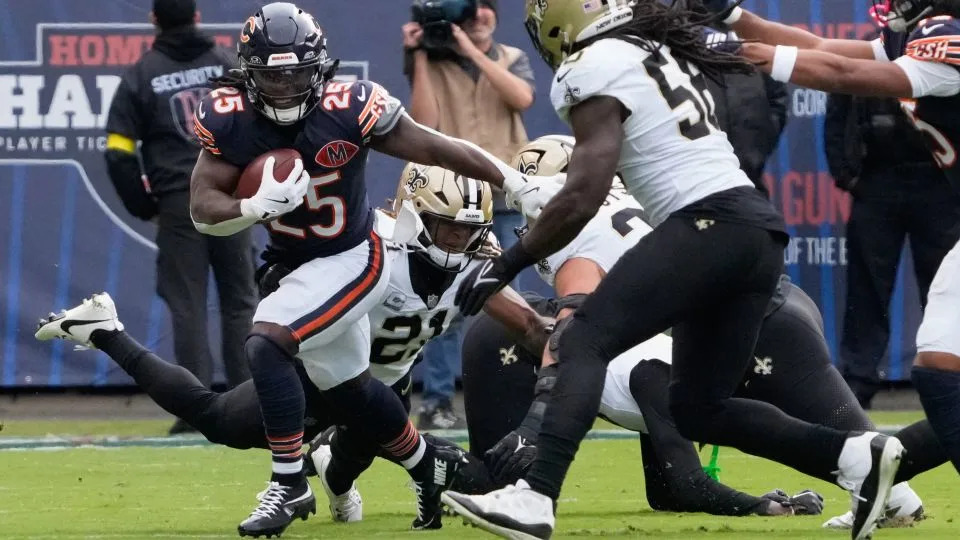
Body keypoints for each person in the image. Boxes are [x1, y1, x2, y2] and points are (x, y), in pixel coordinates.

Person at [442, 3, 905, 540]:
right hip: (756, 229)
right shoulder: (653, 49)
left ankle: (535, 496)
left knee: (582, 338)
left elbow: (585, 192)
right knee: (698, 409)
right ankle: (855, 457)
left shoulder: (590, 65)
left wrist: (507, 263)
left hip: (707, 223)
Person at [187, 3, 560, 537]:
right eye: (272, 76)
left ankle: (289, 483)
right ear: (249, 74)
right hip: (294, 266)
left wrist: (513, 182)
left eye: (297, 75)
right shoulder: (230, 118)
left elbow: (435, 146)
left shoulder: (348, 107)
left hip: (353, 257)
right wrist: (250, 207)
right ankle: (426, 465)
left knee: (267, 341)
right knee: (353, 390)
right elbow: (203, 209)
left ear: (319, 70)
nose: (286, 89)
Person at [33, 162, 553, 528]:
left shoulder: (478, 267)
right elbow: (297, 265)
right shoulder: (371, 244)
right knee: (216, 420)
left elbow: (531, 328)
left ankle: (328, 467)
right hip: (322, 372)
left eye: (467, 231)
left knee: (380, 467)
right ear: (415, 213)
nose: (459, 242)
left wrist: (567, 377)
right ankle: (106, 331)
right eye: (447, 229)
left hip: (388, 389)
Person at [462, 136, 943, 528]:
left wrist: (534, 425)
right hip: (761, 302)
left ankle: (537, 495)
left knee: (854, 442)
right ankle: (895, 495)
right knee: (711, 413)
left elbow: (573, 326)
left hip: (753, 319)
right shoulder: (631, 197)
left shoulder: (580, 229)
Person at [699, 0, 960, 481]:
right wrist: (735, 17)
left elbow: (842, 72)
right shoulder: (916, 34)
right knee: (939, 365)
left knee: (941, 367)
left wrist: (747, 52)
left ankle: (879, 475)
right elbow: (822, 46)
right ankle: (881, 477)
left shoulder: (948, 35)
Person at [104, 0, 257, 434]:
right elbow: (263, 126)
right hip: (231, 199)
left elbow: (118, 153)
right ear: (197, 16)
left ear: (154, 20)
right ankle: (251, 405)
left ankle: (196, 412)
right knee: (241, 301)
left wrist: (145, 205)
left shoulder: (140, 75)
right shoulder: (226, 65)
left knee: (187, 305)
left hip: (178, 203)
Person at [403, 0, 538, 427]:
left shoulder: (511, 57)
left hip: (505, 198)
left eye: (486, 8)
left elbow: (522, 97)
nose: (479, 17)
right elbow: (423, 123)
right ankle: (437, 401)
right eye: (471, 10)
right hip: (454, 203)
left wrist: (472, 51)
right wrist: (420, 56)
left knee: (510, 302)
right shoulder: (434, 60)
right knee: (447, 302)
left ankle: (519, 393)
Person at [824, 75, 960, 408]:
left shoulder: (943, 53)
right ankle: (857, 382)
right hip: (876, 179)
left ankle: (950, 377)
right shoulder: (868, 58)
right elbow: (838, 110)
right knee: (866, 290)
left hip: (937, 182)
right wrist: (847, 176)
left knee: (945, 288)